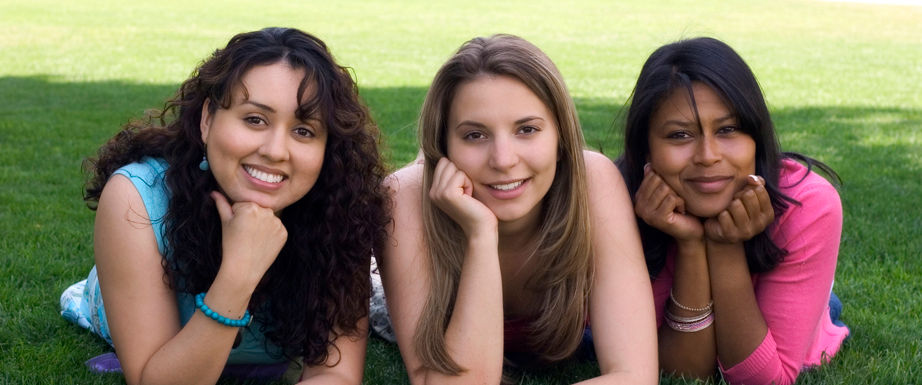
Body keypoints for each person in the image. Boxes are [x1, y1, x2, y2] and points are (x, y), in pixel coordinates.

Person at [59, 27, 388, 385]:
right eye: (255, 119)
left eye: (304, 130)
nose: (275, 151)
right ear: (207, 119)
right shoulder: (136, 198)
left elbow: (335, 374)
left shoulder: (344, 208)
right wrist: (240, 270)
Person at [376, 34, 657, 384]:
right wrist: (480, 236)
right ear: (443, 145)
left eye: (527, 129)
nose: (504, 160)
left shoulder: (593, 182)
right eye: (475, 135)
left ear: (561, 138)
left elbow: (635, 375)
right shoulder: (404, 197)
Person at [616, 37, 849, 385]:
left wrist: (725, 247)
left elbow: (766, 380)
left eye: (728, 130)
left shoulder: (808, 204)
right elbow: (686, 371)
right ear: (645, 150)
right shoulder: (617, 202)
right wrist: (691, 245)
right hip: (683, 319)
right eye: (679, 135)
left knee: (824, 307)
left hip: (773, 307)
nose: (708, 156)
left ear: (756, 137)